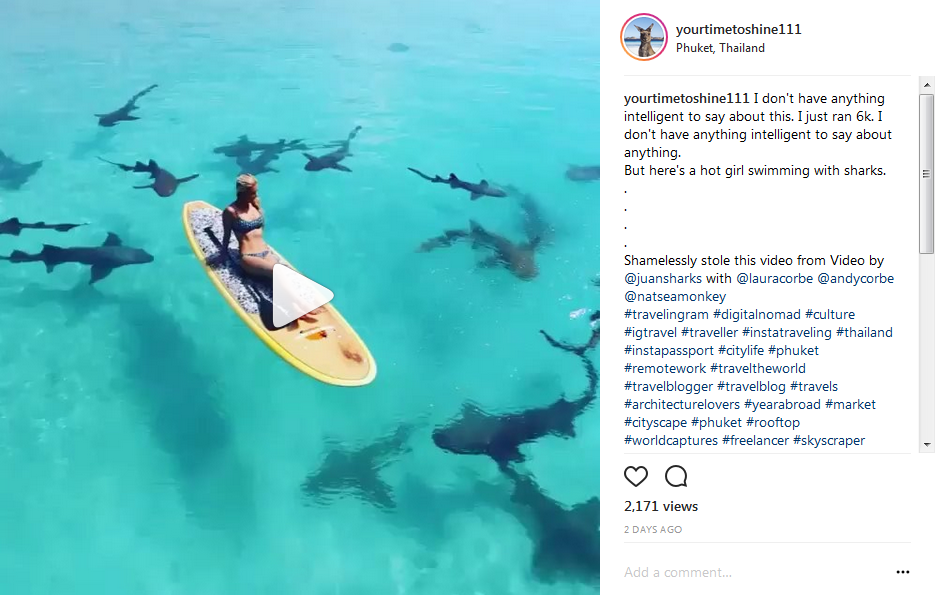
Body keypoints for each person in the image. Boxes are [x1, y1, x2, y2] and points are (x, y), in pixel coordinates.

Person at [220, 174, 318, 326]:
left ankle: (293, 307)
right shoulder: (231, 211)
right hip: (249, 257)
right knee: (276, 272)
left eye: (256, 192)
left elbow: (261, 230)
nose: (256, 195)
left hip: (265, 253)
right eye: (252, 192)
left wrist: (267, 250)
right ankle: (300, 306)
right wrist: (223, 254)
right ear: (241, 192)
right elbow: (226, 235)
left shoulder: (255, 203)